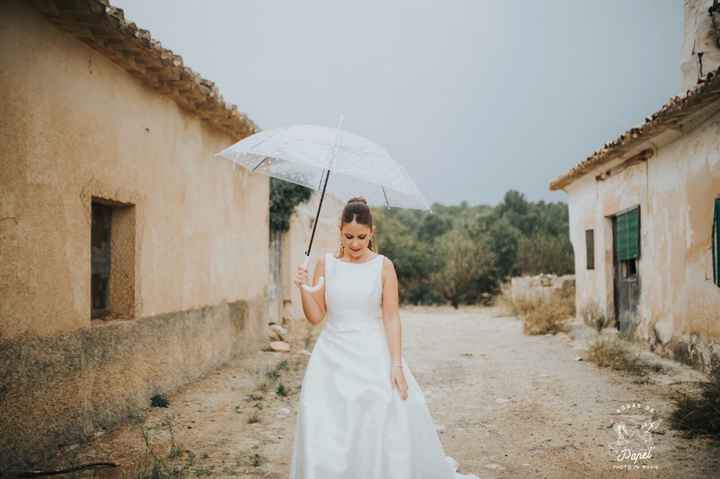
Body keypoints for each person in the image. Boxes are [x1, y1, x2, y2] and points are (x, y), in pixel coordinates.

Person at [288, 196, 480, 479]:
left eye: (362, 237)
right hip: (331, 357)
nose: (355, 244)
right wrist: (304, 288)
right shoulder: (325, 264)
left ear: (372, 233)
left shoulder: (383, 266)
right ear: (339, 230)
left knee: (385, 410)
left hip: (371, 352)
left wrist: (396, 364)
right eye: (349, 236)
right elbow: (316, 317)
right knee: (325, 422)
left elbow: (391, 317)